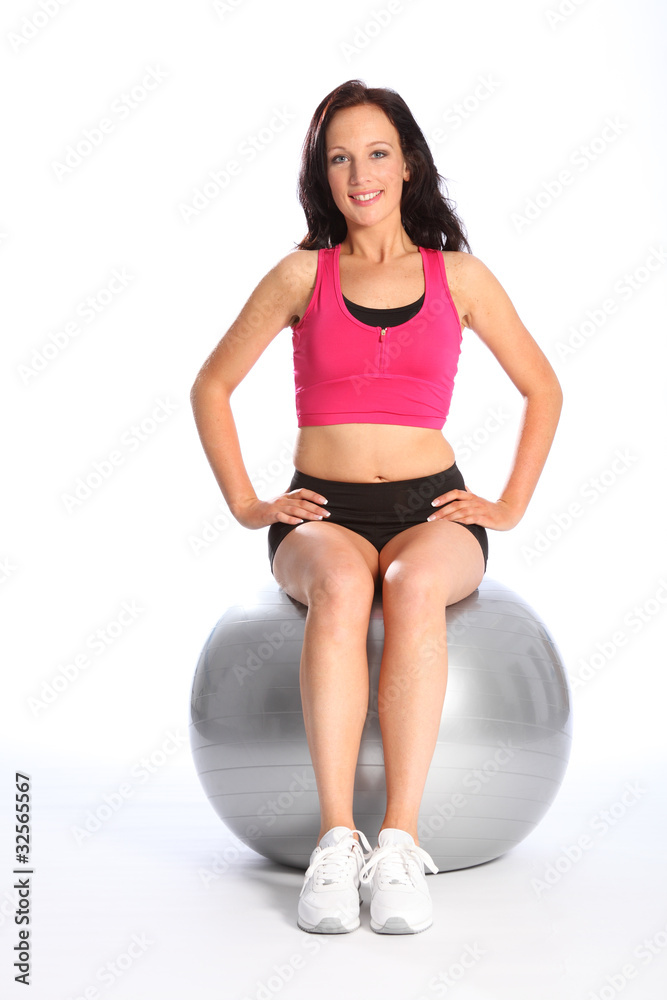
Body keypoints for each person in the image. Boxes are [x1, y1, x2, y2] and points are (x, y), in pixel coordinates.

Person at [190, 79, 563, 935]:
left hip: (432, 506)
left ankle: (397, 842)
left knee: (413, 588)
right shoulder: (299, 274)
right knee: (346, 590)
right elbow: (211, 385)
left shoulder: (458, 276)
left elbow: (543, 390)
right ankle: (334, 842)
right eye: (339, 157)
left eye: (377, 152)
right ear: (322, 177)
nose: (359, 172)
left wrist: (505, 505)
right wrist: (250, 504)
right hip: (322, 512)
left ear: (408, 165)